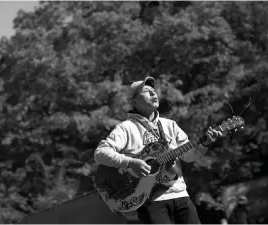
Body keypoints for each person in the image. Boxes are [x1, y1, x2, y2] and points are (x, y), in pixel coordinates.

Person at [94, 76, 223, 224]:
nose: (153, 94)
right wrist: (130, 163)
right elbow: (100, 153)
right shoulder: (126, 128)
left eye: (153, 91)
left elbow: (189, 156)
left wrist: (204, 144)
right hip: (149, 200)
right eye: (146, 91)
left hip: (180, 195)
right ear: (133, 101)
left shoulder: (170, 125)